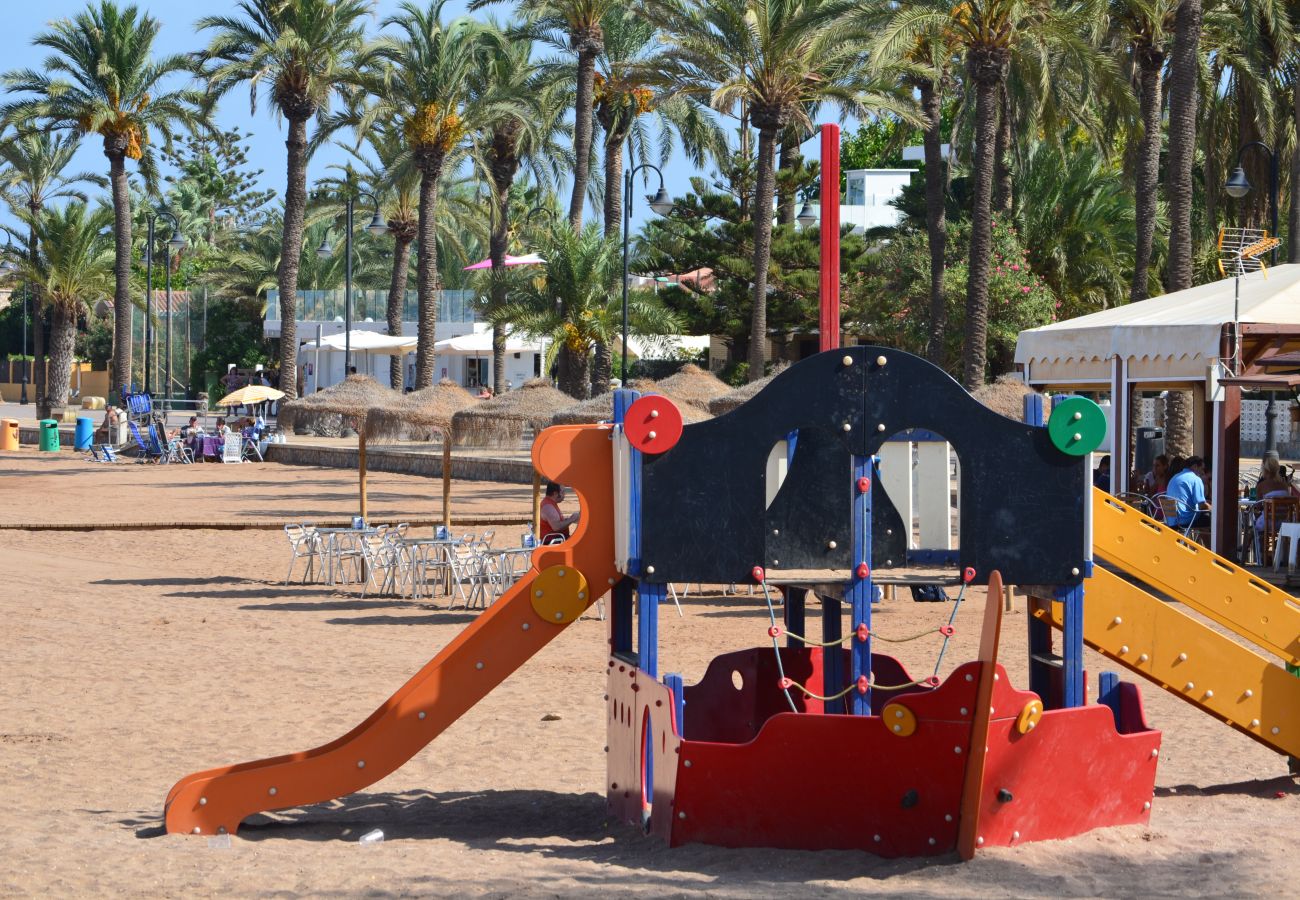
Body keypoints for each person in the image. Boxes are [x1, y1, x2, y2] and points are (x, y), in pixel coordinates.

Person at [1166, 455, 1211, 529]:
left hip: (1171, 520)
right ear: (1195, 466)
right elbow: (1201, 506)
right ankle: (1207, 541)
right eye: (1202, 469)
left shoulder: (1175, 477)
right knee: (1213, 520)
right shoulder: (1196, 479)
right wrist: (1214, 508)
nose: (1202, 472)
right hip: (1185, 520)